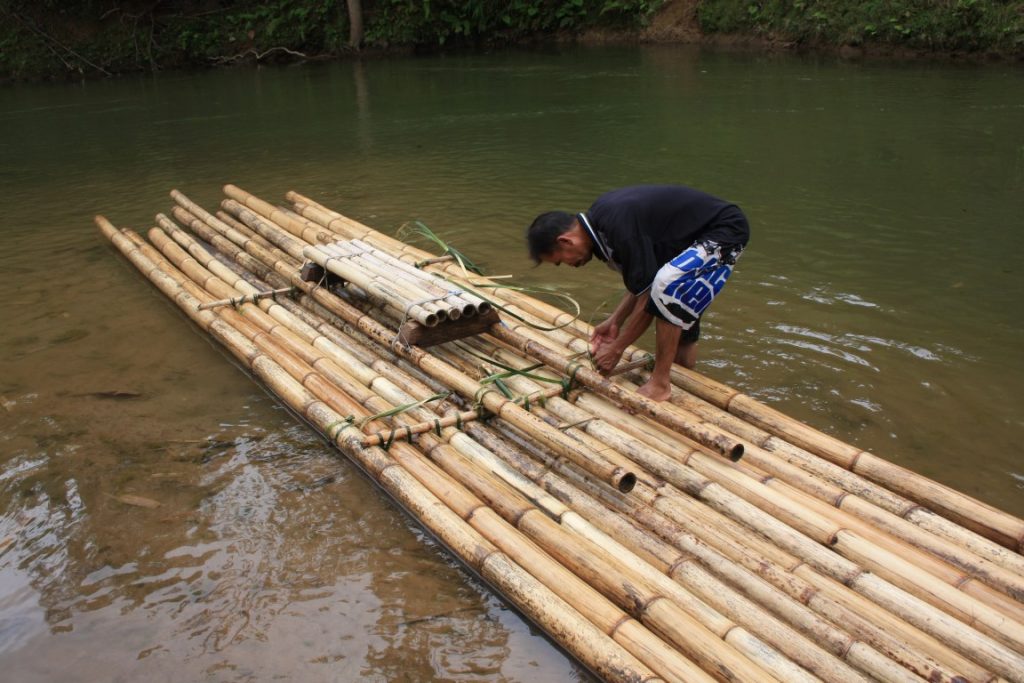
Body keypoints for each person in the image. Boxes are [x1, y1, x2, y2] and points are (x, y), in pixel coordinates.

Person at [526, 184, 749, 402]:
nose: (568, 264)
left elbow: (650, 293)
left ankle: (660, 383)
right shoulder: (603, 225)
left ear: (565, 241)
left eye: (560, 261)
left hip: (724, 230)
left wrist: (616, 348)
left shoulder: (617, 229)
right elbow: (641, 283)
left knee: (668, 287)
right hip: (691, 239)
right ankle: (684, 381)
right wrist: (615, 321)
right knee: (679, 306)